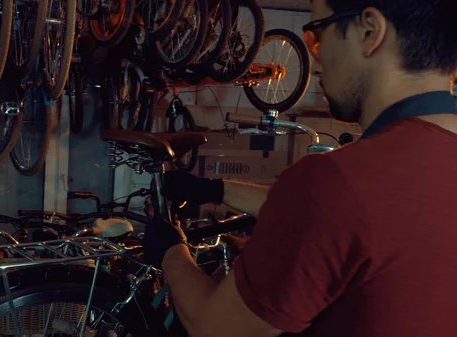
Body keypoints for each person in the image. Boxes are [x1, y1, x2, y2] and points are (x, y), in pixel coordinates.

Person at [141, 0, 457, 336]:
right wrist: (215, 190)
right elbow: (360, 221)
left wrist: (171, 251)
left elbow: (216, 327)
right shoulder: (390, 174)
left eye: (316, 35)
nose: (315, 57)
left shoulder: (337, 179)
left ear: (369, 32)